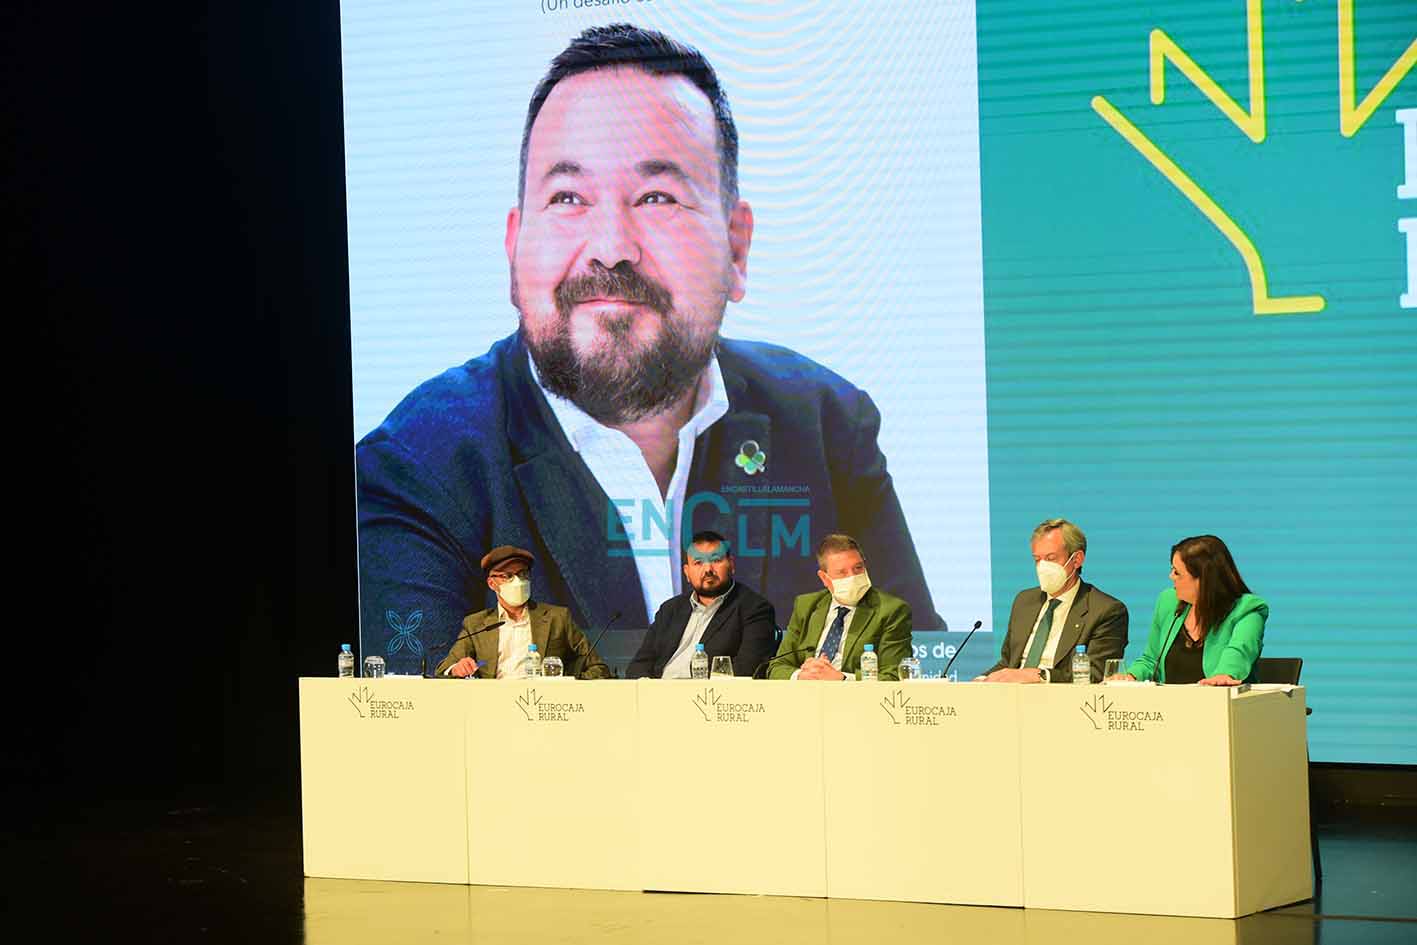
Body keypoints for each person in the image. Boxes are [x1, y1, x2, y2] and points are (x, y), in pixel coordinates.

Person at [355, 23, 940, 666]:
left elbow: (913, 668)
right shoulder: (417, 466)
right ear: (514, 249)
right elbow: (425, 731)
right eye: (568, 196)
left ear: (736, 249)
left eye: (658, 196)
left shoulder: (827, 423)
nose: (610, 246)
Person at [981, 518, 1128, 683]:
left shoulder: (1106, 610)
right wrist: (980, 681)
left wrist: (1040, 675)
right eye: (1037, 559)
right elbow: (1008, 664)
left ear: (1077, 559)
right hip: (1012, 699)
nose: (1042, 567)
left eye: (1051, 558)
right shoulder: (1024, 601)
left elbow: (1096, 674)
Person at [435, 546, 612, 679]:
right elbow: (443, 670)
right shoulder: (476, 625)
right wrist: (456, 669)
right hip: (493, 709)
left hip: (544, 707)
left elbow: (598, 667)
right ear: (492, 584)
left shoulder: (557, 618)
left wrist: (566, 688)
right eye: (507, 576)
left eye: (522, 574)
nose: (518, 581)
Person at [1112, 535, 1267, 686]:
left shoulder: (1247, 609)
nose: (1170, 576)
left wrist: (1225, 674)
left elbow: (1240, 650)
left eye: (1177, 572)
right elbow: (1151, 660)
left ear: (1203, 579)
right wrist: (1131, 676)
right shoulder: (1168, 602)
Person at [626, 531, 777, 678]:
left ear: (731, 565)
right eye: (698, 563)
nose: (708, 569)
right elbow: (640, 664)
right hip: (658, 694)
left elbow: (747, 669)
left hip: (710, 698)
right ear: (687, 572)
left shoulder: (755, 609)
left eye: (716, 560)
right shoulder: (670, 609)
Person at [767, 534, 913, 680]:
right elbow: (776, 667)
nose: (852, 577)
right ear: (824, 578)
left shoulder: (891, 610)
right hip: (806, 696)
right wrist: (802, 675)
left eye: (858, 568)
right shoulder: (806, 606)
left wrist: (842, 679)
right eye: (842, 572)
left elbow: (894, 676)